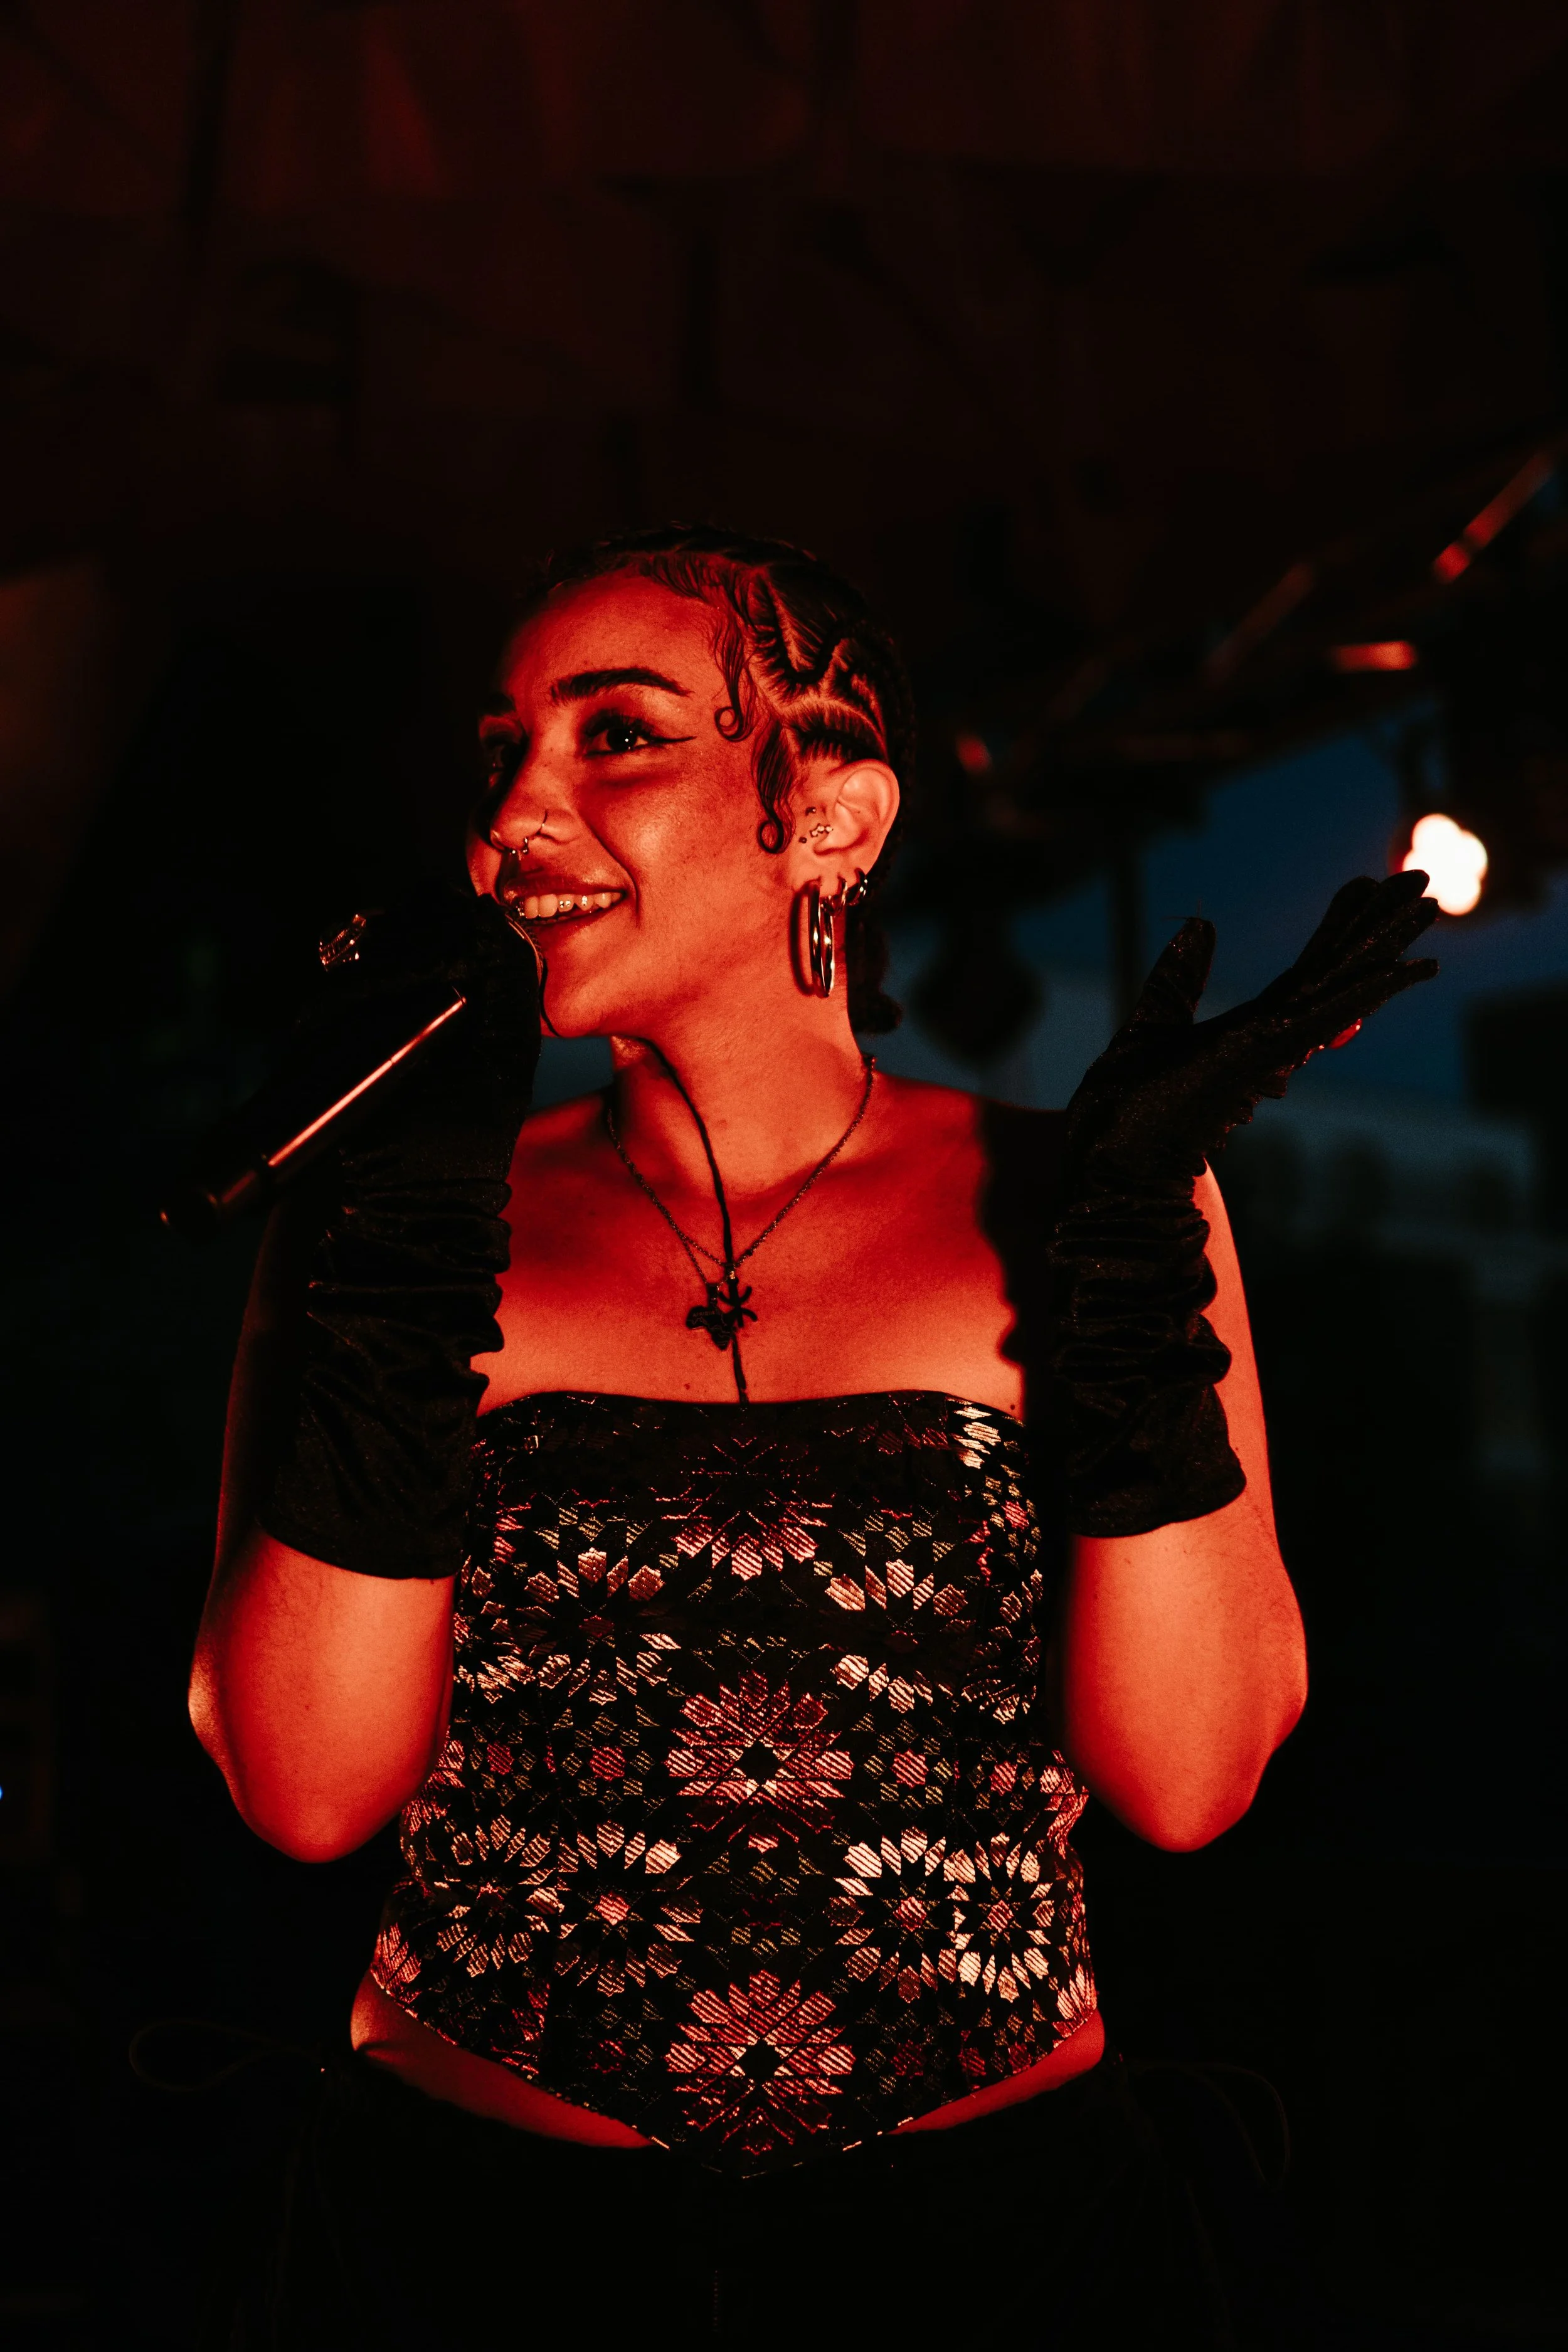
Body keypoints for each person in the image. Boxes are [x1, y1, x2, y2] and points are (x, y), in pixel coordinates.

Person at [188, 527, 1436, 2348]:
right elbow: (301, 1790)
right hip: (472, 2250)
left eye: (613, 736)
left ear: (832, 804)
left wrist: (1132, 1243)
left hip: (1002, 2257)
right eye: (496, 756)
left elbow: (1189, 1776)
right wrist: (403, 1258)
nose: (512, 814)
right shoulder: (395, 1216)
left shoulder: (1079, 1206)